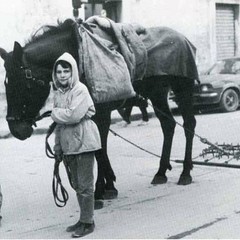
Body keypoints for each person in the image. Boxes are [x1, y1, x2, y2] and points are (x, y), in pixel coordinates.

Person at [51, 52, 101, 238]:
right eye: (59, 71)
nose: (63, 75)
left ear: (73, 72)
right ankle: (84, 218)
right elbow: (59, 125)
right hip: (68, 145)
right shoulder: (58, 93)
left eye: (66, 71)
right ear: (55, 74)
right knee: (77, 184)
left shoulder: (80, 90)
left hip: (84, 142)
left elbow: (73, 116)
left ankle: (88, 223)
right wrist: (57, 147)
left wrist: (55, 113)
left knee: (86, 185)